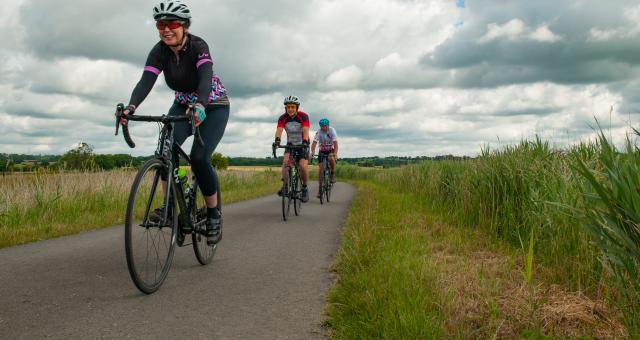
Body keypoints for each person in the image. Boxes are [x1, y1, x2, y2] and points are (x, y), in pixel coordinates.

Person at [119, 0, 229, 245]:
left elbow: (205, 77)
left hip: (212, 105)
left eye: (172, 24)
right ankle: (170, 207)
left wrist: (201, 105)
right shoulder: (159, 51)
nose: (166, 29)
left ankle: (213, 214)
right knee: (166, 150)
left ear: (185, 27)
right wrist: (131, 107)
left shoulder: (198, 46)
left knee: (200, 158)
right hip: (182, 104)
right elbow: (146, 81)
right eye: (160, 24)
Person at [272, 95, 310, 202]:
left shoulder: (303, 116)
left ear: (297, 107)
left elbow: (305, 129)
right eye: (288, 107)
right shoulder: (283, 118)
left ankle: (304, 188)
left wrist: (305, 141)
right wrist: (277, 140)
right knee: (285, 162)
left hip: (303, 143)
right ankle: (285, 185)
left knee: (302, 165)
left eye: (293, 107)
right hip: (290, 144)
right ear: (286, 108)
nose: (290, 109)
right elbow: (279, 130)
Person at [310, 118, 338, 197]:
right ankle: (320, 190)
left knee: (331, 158)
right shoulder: (319, 132)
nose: (323, 128)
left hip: (330, 150)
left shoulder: (332, 130)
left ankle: (332, 173)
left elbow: (335, 143)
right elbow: (314, 143)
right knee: (320, 170)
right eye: (322, 126)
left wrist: (335, 153)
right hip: (322, 151)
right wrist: (312, 152)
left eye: (325, 126)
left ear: (328, 125)